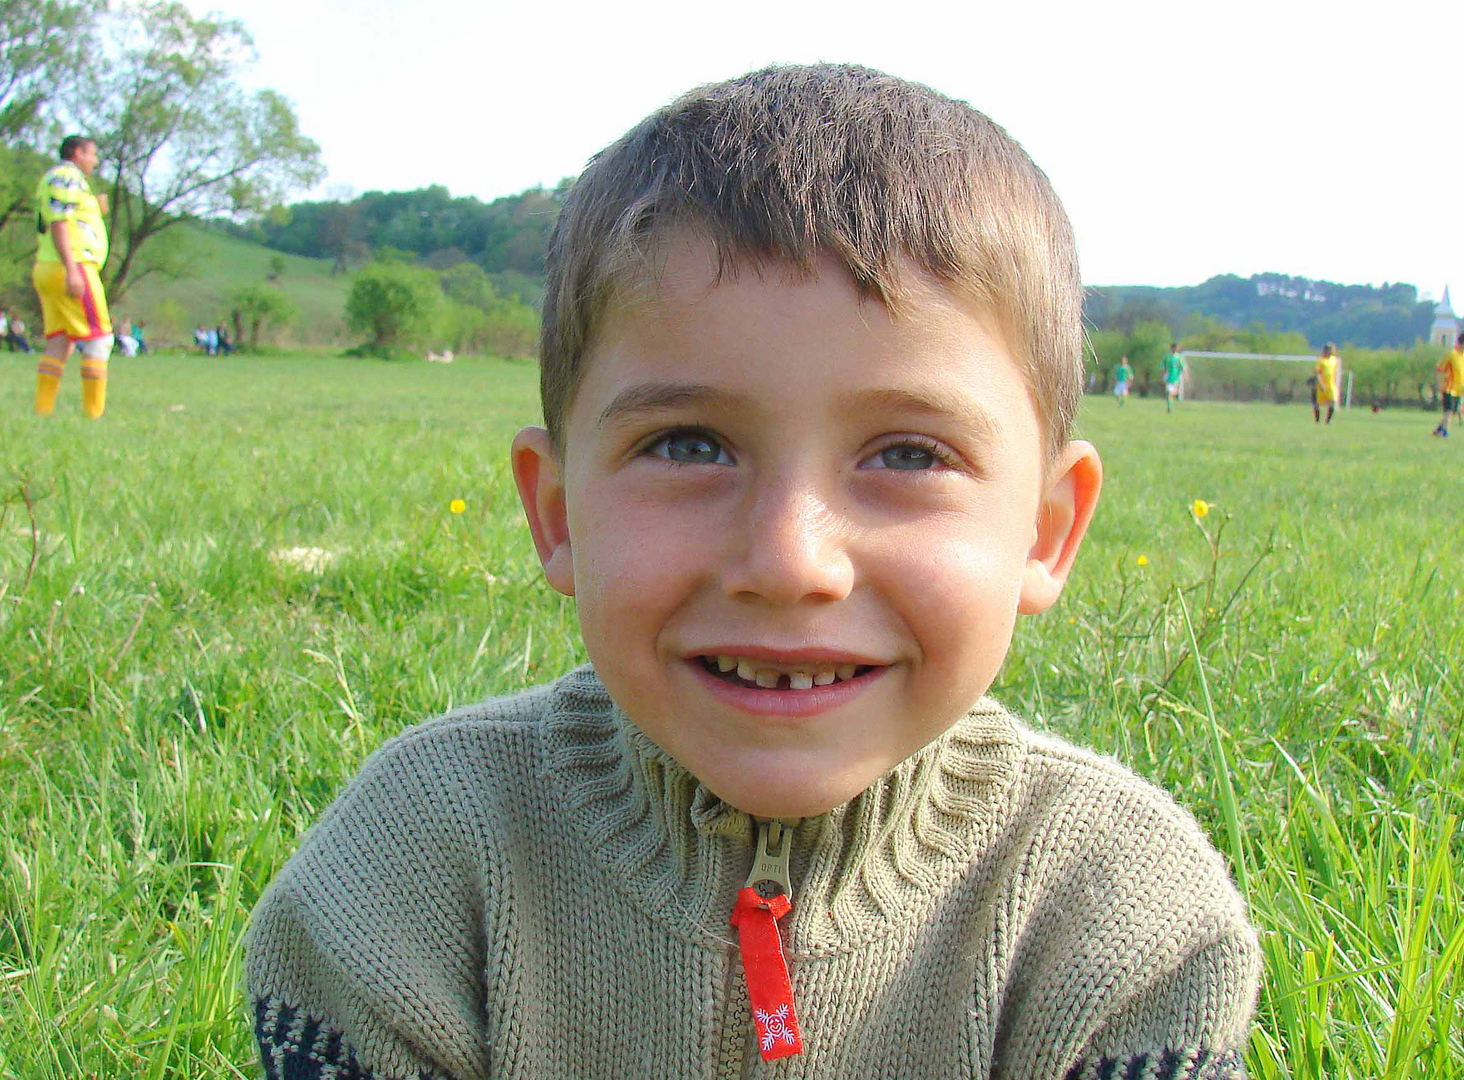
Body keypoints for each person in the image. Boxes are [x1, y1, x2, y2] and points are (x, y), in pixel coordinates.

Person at [245, 64, 1259, 1080]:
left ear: (1044, 532)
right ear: (557, 513)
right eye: (690, 446)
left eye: (907, 456)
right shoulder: (407, 871)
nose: (789, 561)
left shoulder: (1125, 918)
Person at [31, 135, 113, 417]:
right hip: (72, 266)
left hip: (49, 266)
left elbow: (70, 218)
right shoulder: (66, 176)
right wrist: (72, 269)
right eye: (92, 154)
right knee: (99, 339)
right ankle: (94, 414)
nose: (96, 160)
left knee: (61, 339)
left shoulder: (58, 179)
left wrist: (96, 210)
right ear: (77, 153)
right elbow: (59, 223)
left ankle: (43, 411)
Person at [1432, 331, 1464, 437]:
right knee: (1448, 410)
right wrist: (1438, 382)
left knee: (1452, 412)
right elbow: (1439, 368)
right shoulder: (1451, 354)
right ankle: (1444, 432)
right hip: (1448, 387)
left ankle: (1438, 429)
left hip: (1459, 388)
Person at [1313, 342, 1340, 424]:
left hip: (1331, 385)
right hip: (1322, 384)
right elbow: (1317, 373)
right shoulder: (1321, 360)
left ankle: (1328, 420)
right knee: (1318, 403)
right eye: (1328, 349)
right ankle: (1317, 420)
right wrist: (1321, 383)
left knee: (1333, 401)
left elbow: (1335, 372)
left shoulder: (1334, 360)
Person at [1161, 341, 1186, 411]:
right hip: (1168, 377)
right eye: (1174, 348)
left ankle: (1169, 407)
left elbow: (1183, 367)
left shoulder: (1179, 358)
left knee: (1169, 393)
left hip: (1176, 378)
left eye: (1176, 348)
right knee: (1167, 393)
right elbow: (1163, 367)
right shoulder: (1167, 357)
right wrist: (1163, 376)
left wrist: (1185, 375)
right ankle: (1169, 406)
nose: (1175, 349)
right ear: (1171, 348)